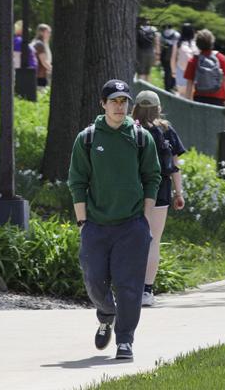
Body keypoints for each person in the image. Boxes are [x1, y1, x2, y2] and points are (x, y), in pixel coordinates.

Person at [68, 79, 161, 361]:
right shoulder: (88, 138)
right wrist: (83, 222)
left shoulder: (141, 137)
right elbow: (77, 181)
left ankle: (125, 340)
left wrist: (145, 219)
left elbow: (152, 177)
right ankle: (106, 313)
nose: (120, 107)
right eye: (114, 101)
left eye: (124, 102)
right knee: (94, 281)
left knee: (129, 285)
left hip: (131, 225)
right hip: (95, 225)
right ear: (103, 104)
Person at [132, 90, 186, 307]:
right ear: (158, 108)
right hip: (160, 191)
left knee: (129, 238)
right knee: (153, 239)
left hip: (133, 190)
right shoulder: (166, 130)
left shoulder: (130, 129)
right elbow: (174, 166)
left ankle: (130, 287)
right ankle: (147, 291)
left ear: (135, 107)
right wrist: (179, 193)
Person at [184, 29, 225, 106]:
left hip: (199, 98)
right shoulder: (221, 58)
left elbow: (189, 84)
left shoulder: (194, 60)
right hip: (218, 98)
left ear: (197, 44)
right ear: (212, 42)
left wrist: (187, 102)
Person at [172, 23, 196, 96]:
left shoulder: (178, 43)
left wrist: (173, 71)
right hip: (193, 73)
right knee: (192, 96)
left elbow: (173, 58)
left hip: (181, 71)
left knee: (182, 95)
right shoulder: (195, 44)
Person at [135, 17, 159, 83]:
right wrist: (157, 55)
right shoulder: (153, 29)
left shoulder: (137, 29)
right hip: (151, 53)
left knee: (141, 73)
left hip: (140, 53)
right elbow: (157, 43)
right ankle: (149, 89)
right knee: (148, 73)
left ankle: (141, 90)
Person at [30, 23, 52, 89]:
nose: (49, 34)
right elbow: (44, 62)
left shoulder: (37, 42)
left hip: (37, 76)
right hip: (40, 77)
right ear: (41, 32)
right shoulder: (39, 44)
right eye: (48, 32)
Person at [159, 24, 180, 93]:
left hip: (164, 55)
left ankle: (167, 87)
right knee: (173, 71)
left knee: (166, 71)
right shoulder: (176, 34)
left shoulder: (163, 34)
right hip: (173, 54)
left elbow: (160, 44)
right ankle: (172, 85)